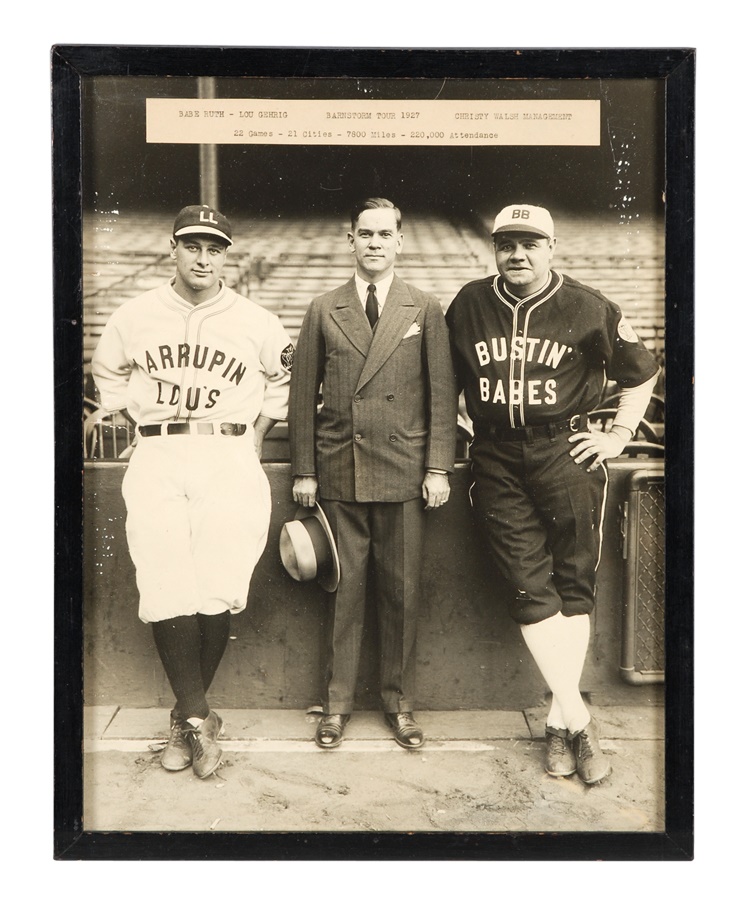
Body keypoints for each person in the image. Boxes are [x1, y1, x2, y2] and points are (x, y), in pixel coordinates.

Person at [445, 204, 659, 784]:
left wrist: (616, 434)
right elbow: (443, 382)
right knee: (527, 585)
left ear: (552, 246)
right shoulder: (468, 303)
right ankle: (577, 717)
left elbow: (642, 371)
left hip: (566, 450)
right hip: (494, 456)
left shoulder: (588, 304)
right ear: (494, 248)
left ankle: (562, 723)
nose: (518, 254)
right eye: (507, 243)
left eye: (530, 243)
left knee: (573, 584)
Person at [91, 205, 294, 778]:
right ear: (172, 249)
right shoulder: (134, 314)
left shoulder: (256, 319)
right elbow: (106, 375)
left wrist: (254, 436)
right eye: (193, 245)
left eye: (214, 247)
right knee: (163, 581)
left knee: (217, 584)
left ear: (226, 254)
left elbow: (282, 384)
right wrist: (130, 421)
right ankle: (200, 715)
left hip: (228, 452)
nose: (203, 258)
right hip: (157, 451)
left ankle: (186, 719)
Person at [289, 198, 458, 750]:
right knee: (344, 594)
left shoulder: (425, 307)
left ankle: (398, 703)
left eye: (386, 234)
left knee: (401, 595)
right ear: (351, 240)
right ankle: (336, 706)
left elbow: (441, 395)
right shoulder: (323, 308)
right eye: (366, 234)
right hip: (340, 471)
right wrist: (305, 470)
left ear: (400, 241)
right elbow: (301, 398)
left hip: (405, 472)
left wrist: (437, 466)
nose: (375, 243)